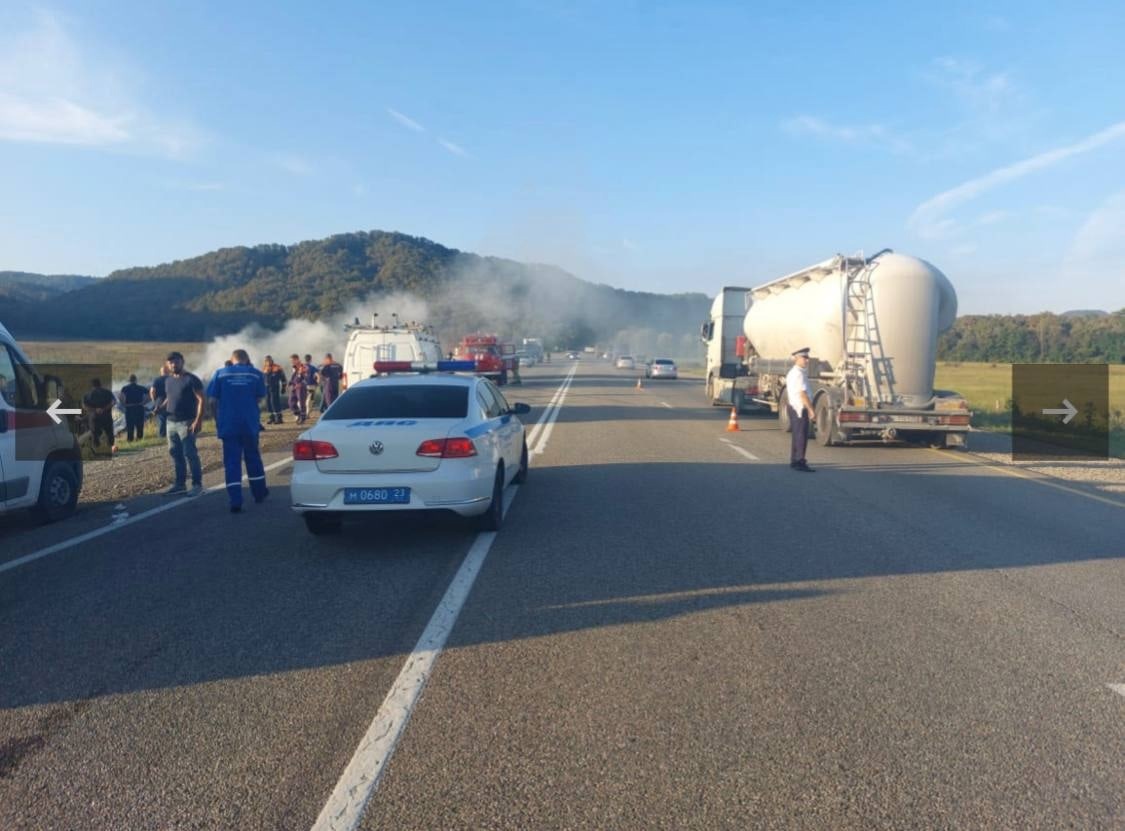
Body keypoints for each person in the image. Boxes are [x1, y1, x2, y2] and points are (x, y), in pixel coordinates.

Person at [207, 349, 268, 513]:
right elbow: (260, 397)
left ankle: (235, 500)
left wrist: (217, 420)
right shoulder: (256, 374)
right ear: (247, 359)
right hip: (249, 424)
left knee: (232, 462)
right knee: (253, 458)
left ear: (231, 359)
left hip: (228, 424)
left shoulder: (220, 374)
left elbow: (212, 401)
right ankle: (259, 493)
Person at [163, 351, 205, 496]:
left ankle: (197, 484)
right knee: (175, 453)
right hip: (171, 422)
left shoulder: (191, 379)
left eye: (176, 361)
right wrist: (160, 407)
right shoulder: (168, 380)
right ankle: (180, 484)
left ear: (182, 361)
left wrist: (198, 420)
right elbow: (170, 397)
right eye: (171, 362)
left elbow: (201, 400)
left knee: (190, 454)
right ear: (167, 364)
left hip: (187, 422)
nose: (173, 364)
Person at [786, 347, 816, 472]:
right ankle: (800, 461)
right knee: (801, 436)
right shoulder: (798, 374)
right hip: (799, 408)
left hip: (794, 407)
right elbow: (802, 394)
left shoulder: (797, 372)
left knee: (797, 435)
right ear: (797, 358)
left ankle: (794, 460)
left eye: (807, 357)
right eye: (804, 358)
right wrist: (811, 410)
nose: (807, 360)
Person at [83, 378, 116, 450]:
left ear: (92, 385)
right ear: (100, 384)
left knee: (94, 434)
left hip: (94, 417)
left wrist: (95, 410)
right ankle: (111, 447)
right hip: (106, 416)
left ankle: (97, 448)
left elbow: (85, 406)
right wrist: (104, 409)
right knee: (109, 432)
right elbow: (114, 402)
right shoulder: (107, 392)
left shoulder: (88, 394)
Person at [119, 374, 149, 442]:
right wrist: (144, 402)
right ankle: (139, 439)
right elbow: (149, 394)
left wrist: (124, 404)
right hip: (139, 407)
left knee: (130, 425)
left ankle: (130, 440)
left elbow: (120, 397)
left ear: (129, 381)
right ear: (136, 380)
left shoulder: (125, 388)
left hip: (129, 408)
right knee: (140, 425)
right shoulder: (141, 387)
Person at [262, 356, 287, 424]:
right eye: (266, 360)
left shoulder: (277, 367)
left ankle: (279, 418)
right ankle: (272, 417)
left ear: (272, 360)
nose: (268, 362)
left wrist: (284, 387)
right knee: (268, 403)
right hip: (266, 387)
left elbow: (283, 378)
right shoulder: (264, 368)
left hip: (275, 387)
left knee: (274, 402)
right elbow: (262, 379)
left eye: (269, 360)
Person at [150, 364, 170, 438]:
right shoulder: (172, 378)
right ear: (168, 371)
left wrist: (154, 401)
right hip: (171, 400)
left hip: (160, 400)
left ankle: (162, 435)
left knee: (161, 419)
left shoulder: (157, 380)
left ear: (161, 372)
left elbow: (152, 391)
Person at [288, 354, 308, 423]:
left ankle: (303, 417)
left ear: (297, 359)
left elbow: (305, 377)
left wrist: (301, 383)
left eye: (293, 360)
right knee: (291, 402)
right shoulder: (294, 367)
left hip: (301, 387)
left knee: (302, 402)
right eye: (291, 361)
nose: (292, 362)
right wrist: (290, 382)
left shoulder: (303, 367)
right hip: (294, 386)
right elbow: (294, 376)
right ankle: (298, 414)